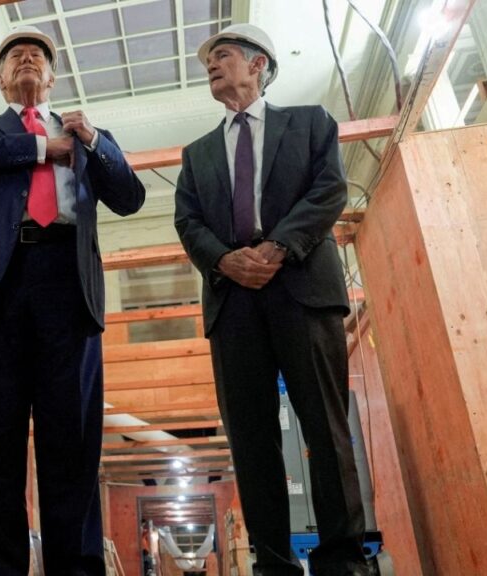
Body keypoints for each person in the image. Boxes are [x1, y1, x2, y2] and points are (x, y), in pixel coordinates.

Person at [0, 26, 145, 576]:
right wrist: (41, 147)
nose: (27, 59)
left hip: (67, 284)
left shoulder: (87, 134)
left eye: (38, 56)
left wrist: (91, 141)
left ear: (52, 78)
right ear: (1, 79)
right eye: (15, 56)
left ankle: (76, 569)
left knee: (72, 438)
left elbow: (129, 197)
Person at [173, 24, 368, 576]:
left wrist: (278, 246)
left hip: (302, 287)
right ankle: (274, 565)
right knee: (251, 440)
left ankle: (342, 562)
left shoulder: (310, 122)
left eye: (222, 55)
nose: (212, 65)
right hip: (233, 301)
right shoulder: (196, 153)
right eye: (209, 61)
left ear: (258, 64)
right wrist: (223, 260)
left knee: (325, 426)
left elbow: (330, 189)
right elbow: (187, 220)